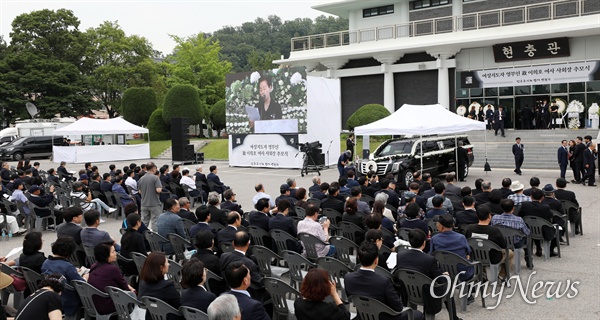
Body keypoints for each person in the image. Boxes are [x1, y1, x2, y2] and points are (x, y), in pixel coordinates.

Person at [345, 242, 422, 320]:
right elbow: (398, 307)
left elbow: (352, 298)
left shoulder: (348, 278)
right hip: (383, 317)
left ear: (358, 257)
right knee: (418, 314)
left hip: (362, 316)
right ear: (376, 261)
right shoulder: (383, 282)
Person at [395, 229, 457, 320]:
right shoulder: (429, 259)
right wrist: (445, 275)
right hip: (426, 293)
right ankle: (454, 317)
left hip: (408, 291)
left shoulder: (400, 255)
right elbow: (440, 280)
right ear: (424, 243)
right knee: (448, 283)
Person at [41, 236, 88, 320]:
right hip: (68, 298)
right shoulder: (67, 266)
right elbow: (80, 283)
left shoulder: (46, 263)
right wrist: (85, 277)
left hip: (52, 295)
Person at [87, 242, 134, 315]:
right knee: (132, 295)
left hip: (96, 302)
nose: (115, 253)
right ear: (105, 255)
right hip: (110, 304)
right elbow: (125, 288)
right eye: (113, 252)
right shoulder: (112, 269)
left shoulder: (94, 266)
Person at [465, 206, 510, 279]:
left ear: (477, 215)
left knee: (480, 249)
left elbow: (466, 242)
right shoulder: (495, 231)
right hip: (493, 258)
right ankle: (502, 275)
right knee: (510, 253)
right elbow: (503, 246)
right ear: (489, 216)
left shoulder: (469, 228)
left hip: (475, 256)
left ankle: (482, 273)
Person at [138, 252, 181, 320]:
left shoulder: (143, 283)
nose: (169, 264)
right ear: (161, 268)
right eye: (167, 262)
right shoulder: (167, 287)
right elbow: (180, 307)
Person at [429, 214, 473, 280]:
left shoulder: (434, 239)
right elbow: (468, 252)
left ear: (440, 225)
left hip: (443, 270)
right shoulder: (461, 238)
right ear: (453, 224)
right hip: (461, 272)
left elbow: (432, 254)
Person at [138, 162, 163, 230]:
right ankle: (154, 238)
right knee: (155, 222)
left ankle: (143, 236)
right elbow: (158, 190)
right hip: (154, 203)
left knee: (144, 222)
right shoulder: (155, 178)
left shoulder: (141, 178)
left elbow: (140, 191)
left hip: (144, 203)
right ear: (154, 168)